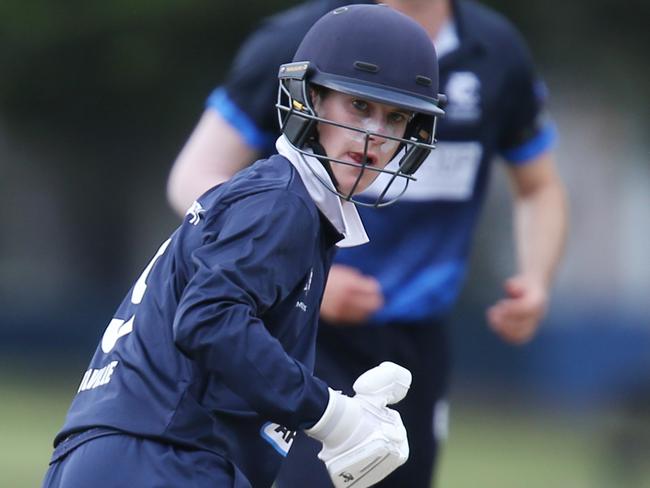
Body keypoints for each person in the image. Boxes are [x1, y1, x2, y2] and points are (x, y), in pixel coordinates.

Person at [41, 5, 447, 488]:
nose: (374, 134)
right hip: (161, 456)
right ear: (309, 98)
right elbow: (209, 318)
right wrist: (331, 414)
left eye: (395, 116)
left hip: (137, 453)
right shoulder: (282, 203)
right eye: (358, 105)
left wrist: (339, 408)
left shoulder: (283, 200)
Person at [166, 1, 568, 486]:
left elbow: (539, 185)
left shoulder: (497, 51)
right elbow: (194, 175)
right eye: (361, 106)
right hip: (301, 331)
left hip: (414, 344)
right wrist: (306, 271)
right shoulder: (307, 40)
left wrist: (537, 279)